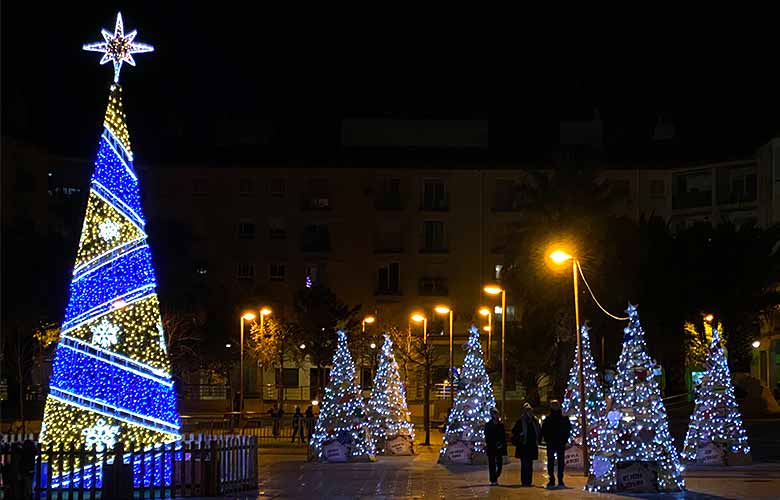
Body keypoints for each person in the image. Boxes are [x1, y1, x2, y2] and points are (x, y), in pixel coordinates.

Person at [542, 399, 572, 489]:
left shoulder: (563, 418)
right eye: (553, 405)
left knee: (560, 462)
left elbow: (567, 429)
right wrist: (547, 439)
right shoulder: (549, 419)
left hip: (559, 442)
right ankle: (552, 478)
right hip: (552, 442)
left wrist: (564, 439)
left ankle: (559, 479)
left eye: (556, 405)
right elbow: (544, 430)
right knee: (551, 461)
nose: (555, 407)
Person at [512, 402, 541, 487]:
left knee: (530, 464)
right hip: (523, 446)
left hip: (531, 445)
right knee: (524, 464)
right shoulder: (520, 421)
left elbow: (539, 431)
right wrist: (520, 435)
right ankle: (524, 481)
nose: (529, 412)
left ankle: (528, 481)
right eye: (527, 410)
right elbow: (514, 431)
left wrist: (537, 440)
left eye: (530, 410)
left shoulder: (534, 421)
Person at [484, 408, 507, 486]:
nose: (496, 415)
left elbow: (503, 436)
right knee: (492, 464)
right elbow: (487, 436)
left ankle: (495, 476)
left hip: (499, 447)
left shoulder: (500, 425)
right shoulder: (488, 425)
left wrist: (502, 444)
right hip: (491, 447)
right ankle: (493, 479)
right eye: (495, 414)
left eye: (497, 413)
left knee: (499, 465)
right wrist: (491, 443)